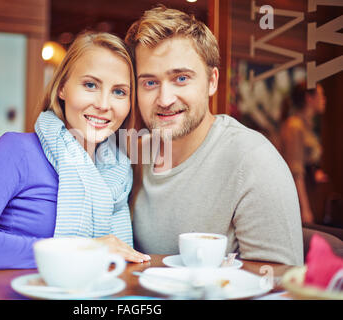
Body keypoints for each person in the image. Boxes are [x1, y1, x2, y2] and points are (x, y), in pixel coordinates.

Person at [0, 31, 150, 272]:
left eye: (119, 91)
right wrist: (81, 251)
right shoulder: (17, 151)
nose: (103, 104)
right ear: (62, 88)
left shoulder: (120, 171)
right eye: (90, 85)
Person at [124, 5, 304, 265]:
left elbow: (279, 282)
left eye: (181, 78)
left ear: (211, 81)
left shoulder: (253, 160)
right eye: (150, 83)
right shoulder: (132, 156)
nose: (164, 99)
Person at [279, 82, 328, 224]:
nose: (324, 99)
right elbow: (296, 171)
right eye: (321, 95)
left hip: (312, 193)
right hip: (299, 198)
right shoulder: (295, 126)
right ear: (309, 98)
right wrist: (304, 209)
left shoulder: (306, 125)